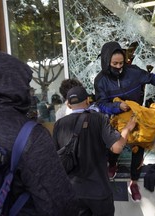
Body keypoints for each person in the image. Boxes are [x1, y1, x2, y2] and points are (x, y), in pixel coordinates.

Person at [0, 49, 79, 215]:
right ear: (16, 86)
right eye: (27, 85)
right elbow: (62, 205)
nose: (30, 90)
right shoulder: (29, 134)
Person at [94, 41, 155, 201]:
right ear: (106, 62)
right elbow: (101, 104)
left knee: (139, 146)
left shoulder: (133, 72)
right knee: (116, 145)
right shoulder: (101, 80)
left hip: (136, 114)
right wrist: (117, 106)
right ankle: (112, 164)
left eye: (121, 63)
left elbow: (151, 78)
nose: (119, 66)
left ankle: (134, 182)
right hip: (116, 117)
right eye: (114, 63)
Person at [53, 86, 136, 216]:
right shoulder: (99, 119)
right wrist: (127, 129)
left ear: (68, 104)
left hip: (72, 192)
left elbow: (56, 158)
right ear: (87, 100)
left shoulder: (59, 125)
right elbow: (117, 147)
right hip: (99, 192)